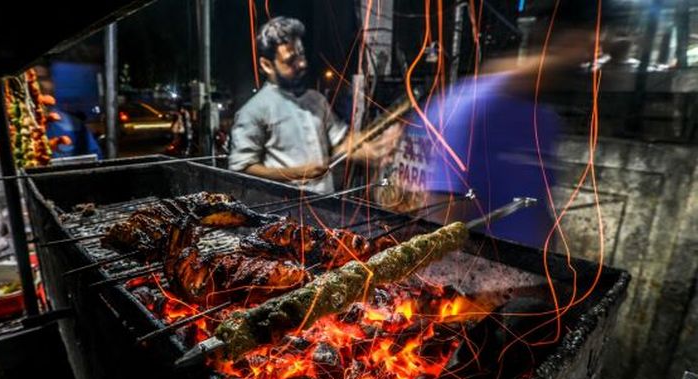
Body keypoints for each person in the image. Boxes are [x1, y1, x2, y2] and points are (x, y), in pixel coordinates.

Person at [409, 8, 601, 247]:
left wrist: (548, 266)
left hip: (524, 268)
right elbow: (441, 217)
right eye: (580, 51)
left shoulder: (545, 119)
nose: (587, 63)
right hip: (474, 273)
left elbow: (539, 207)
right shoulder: (471, 109)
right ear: (549, 45)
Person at [228, 16, 400, 194]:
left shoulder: (316, 100)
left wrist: (370, 150)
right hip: (282, 211)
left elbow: (340, 142)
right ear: (267, 65)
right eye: (290, 60)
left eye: (301, 54)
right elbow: (242, 168)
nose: (302, 63)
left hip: (324, 205)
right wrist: (296, 173)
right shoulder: (254, 110)